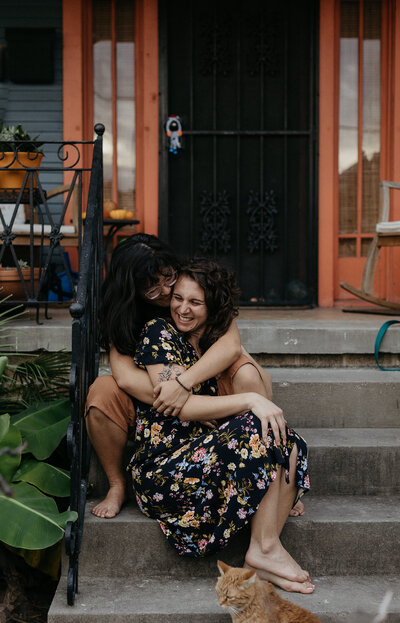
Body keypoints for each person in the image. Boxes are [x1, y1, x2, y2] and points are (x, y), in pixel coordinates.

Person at [127, 258, 312, 594]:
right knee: (262, 426)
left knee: (289, 440)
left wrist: (257, 400)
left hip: (205, 456)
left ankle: (262, 549)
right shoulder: (159, 332)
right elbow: (180, 408)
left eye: (195, 302)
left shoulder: (215, 339)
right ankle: (267, 549)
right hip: (165, 468)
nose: (182, 309)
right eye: (177, 298)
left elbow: (254, 378)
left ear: (212, 306)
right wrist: (249, 401)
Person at [85, 234, 271, 518]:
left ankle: (273, 473)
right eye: (150, 288)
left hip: (204, 382)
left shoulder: (190, 284)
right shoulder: (124, 314)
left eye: (167, 277)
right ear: (132, 289)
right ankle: (116, 484)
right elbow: (124, 377)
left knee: (245, 370)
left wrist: (187, 386)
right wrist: (186, 405)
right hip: (157, 401)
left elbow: (231, 345)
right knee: (101, 392)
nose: (163, 291)